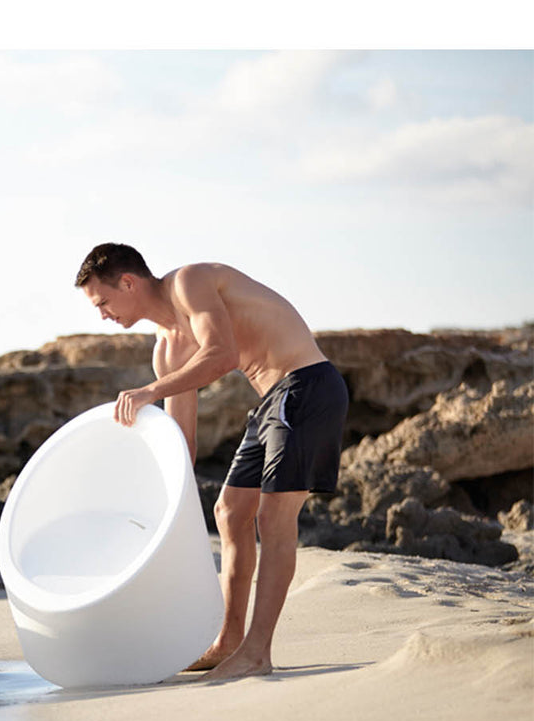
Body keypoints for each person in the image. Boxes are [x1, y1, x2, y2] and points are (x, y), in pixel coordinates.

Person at [75, 243, 348, 681]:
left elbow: (221, 354)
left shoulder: (190, 283)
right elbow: (182, 441)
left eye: (103, 302)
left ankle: (257, 652)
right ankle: (229, 642)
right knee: (229, 512)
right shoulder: (166, 351)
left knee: (273, 516)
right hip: (272, 403)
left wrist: (149, 392)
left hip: (306, 386)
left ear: (128, 283)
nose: (103, 314)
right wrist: (156, 503)